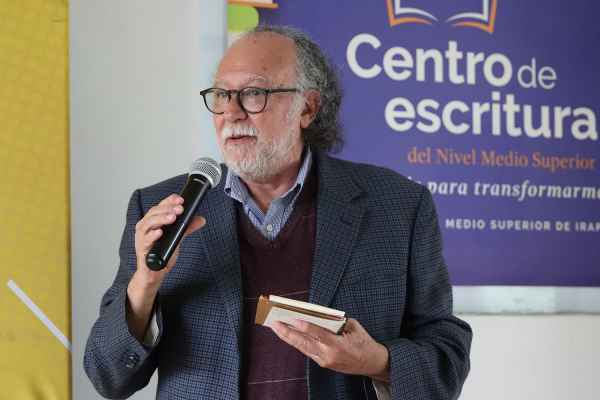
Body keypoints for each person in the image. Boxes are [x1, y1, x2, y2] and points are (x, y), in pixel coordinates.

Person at [84, 25, 472, 400]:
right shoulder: (163, 212)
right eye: (221, 94)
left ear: (308, 107)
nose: (230, 112)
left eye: (254, 93)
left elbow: (448, 359)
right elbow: (107, 377)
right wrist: (145, 285)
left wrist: (377, 361)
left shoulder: (397, 206)